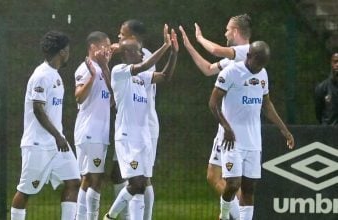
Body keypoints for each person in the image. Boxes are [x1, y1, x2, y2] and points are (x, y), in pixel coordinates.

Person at [208, 41, 295, 220]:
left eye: (263, 63)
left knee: (249, 189)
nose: (259, 67)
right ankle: (224, 215)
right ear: (248, 56)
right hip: (231, 140)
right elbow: (213, 103)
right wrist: (226, 127)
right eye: (257, 62)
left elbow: (267, 104)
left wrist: (284, 130)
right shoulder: (230, 72)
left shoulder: (262, 74)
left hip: (253, 141)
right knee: (233, 183)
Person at [179, 14, 252, 219]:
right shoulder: (234, 59)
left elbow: (215, 50)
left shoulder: (247, 52)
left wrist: (200, 38)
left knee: (231, 181)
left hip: (235, 129)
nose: (225, 32)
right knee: (214, 175)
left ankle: (238, 215)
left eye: (228, 29)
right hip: (225, 126)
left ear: (236, 32)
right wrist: (189, 47)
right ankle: (236, 213)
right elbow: (208, 68)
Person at [103, 24, 178, 220]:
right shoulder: (119, 72)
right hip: (128, 137)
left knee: (144, 182)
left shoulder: (142, 77)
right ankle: (110, 217)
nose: (143, 55)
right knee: (135, 184)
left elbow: (165, 77)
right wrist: (165, 46)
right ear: (128, 55)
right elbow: (143, 66)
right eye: (138, 52)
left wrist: (174, 53)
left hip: (143, 135)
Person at [10, 30, 80, 220]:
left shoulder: (54, 75)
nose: (69, 53)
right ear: (63, 52)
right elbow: (38, 110)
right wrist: (58, 136)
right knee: (25, 191)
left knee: (74, 182)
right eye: (68, 50)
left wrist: (58, 137)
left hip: (57, 144)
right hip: (38, 145)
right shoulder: (41, 75)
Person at [74, 31, 112, 220]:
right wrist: (92, 75)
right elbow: (79, 96)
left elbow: (111, 101)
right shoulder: (85, 68)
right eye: (105, 46)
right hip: (90, 130)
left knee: (90, 178)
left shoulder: (103, 69)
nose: (108, 49)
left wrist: (104, 69)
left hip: (100, 132)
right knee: (94, 178)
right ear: (93, 48)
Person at [315, 51, 338, 125]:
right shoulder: (321, 88)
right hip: (328, 133)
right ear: (331, 63)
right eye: (335, 62)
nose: (337, 64)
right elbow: (318, 114)